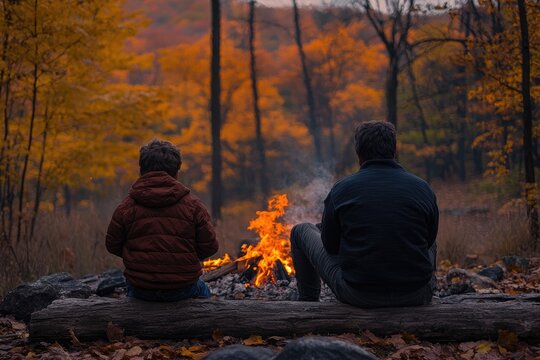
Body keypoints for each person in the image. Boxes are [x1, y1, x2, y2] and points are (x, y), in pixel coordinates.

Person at [290, 120, 438, 307]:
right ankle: (425, 283)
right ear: (394, 150)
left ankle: (308, 303)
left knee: (300, 230)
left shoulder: (342, 189)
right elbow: (430, 239)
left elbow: (331, 247)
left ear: (358, 153)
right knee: (427, 235)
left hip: (359, 295)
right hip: (417, 295)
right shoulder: (422, 188)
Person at [106, 139, 218, 301]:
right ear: (176, 173)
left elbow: (112, 245)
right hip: (183, 288)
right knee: (206, 295)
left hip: (141, 289)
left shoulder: (126, 207)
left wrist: (139, 256)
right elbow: (210, 247)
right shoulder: (194, 206)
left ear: (141, 171)